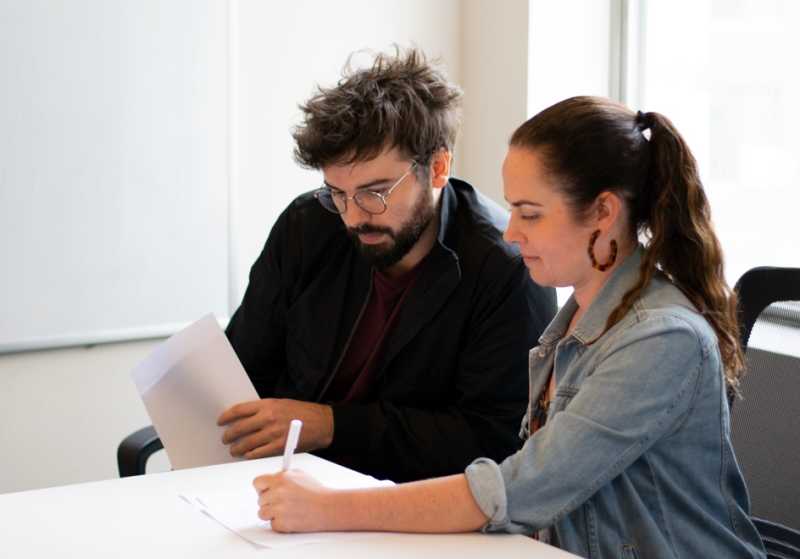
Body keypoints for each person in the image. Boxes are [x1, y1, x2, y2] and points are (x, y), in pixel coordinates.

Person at [251, 96, 768, 558]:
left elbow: (519, 490)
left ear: (603, 212)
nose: (512, 231)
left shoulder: (661, 339)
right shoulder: (573, 327)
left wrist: (328, 508)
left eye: (530, 213)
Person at [217, 47, 557, 482]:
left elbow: (489, 441)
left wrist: (330, 426)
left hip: (412, 509)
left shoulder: (505, 268)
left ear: (437, 168)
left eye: (375, 192)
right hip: (285, 487)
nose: (355, 217)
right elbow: (243, 368)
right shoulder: (308, 226)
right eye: (338, 193)